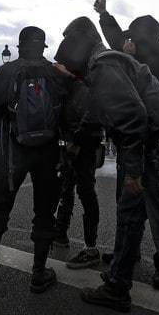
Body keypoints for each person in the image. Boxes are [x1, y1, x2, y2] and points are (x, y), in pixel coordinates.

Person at [54, 22, 159, 315]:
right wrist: (76, 140)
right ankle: (118, 285)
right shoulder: (105, 65)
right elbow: (98, 110)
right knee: (129, 217)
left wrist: (133, 171)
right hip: (152, 146)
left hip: (154, 149)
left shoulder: (105, 66)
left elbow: (132, 117)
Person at [94, 0, 159, 291]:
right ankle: (128, 256)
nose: (127, 42)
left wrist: (127, 51)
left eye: (133, 37)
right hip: (145, 140)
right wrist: (105, 14)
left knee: (157, 211)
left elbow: (127, 53)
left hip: (150, 139)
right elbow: (118, 39)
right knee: (130, 206)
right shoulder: (156, 52)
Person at [0, 26, 68, 293]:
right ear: (42, 47)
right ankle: (39, 272)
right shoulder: (54, 72)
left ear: (19, 46)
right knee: (45, 211)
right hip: (49, 151)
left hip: (14, 150)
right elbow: (66, 110)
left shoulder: (6, 71)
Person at [53, 17, 105, 269]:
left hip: (83, 137)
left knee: (84, 190)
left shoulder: (95, 65)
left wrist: (78, 140)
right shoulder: (88, 62)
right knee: (68, 186)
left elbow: (93, 100)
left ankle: (91, 247)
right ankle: (61, 231)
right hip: (75, 135)